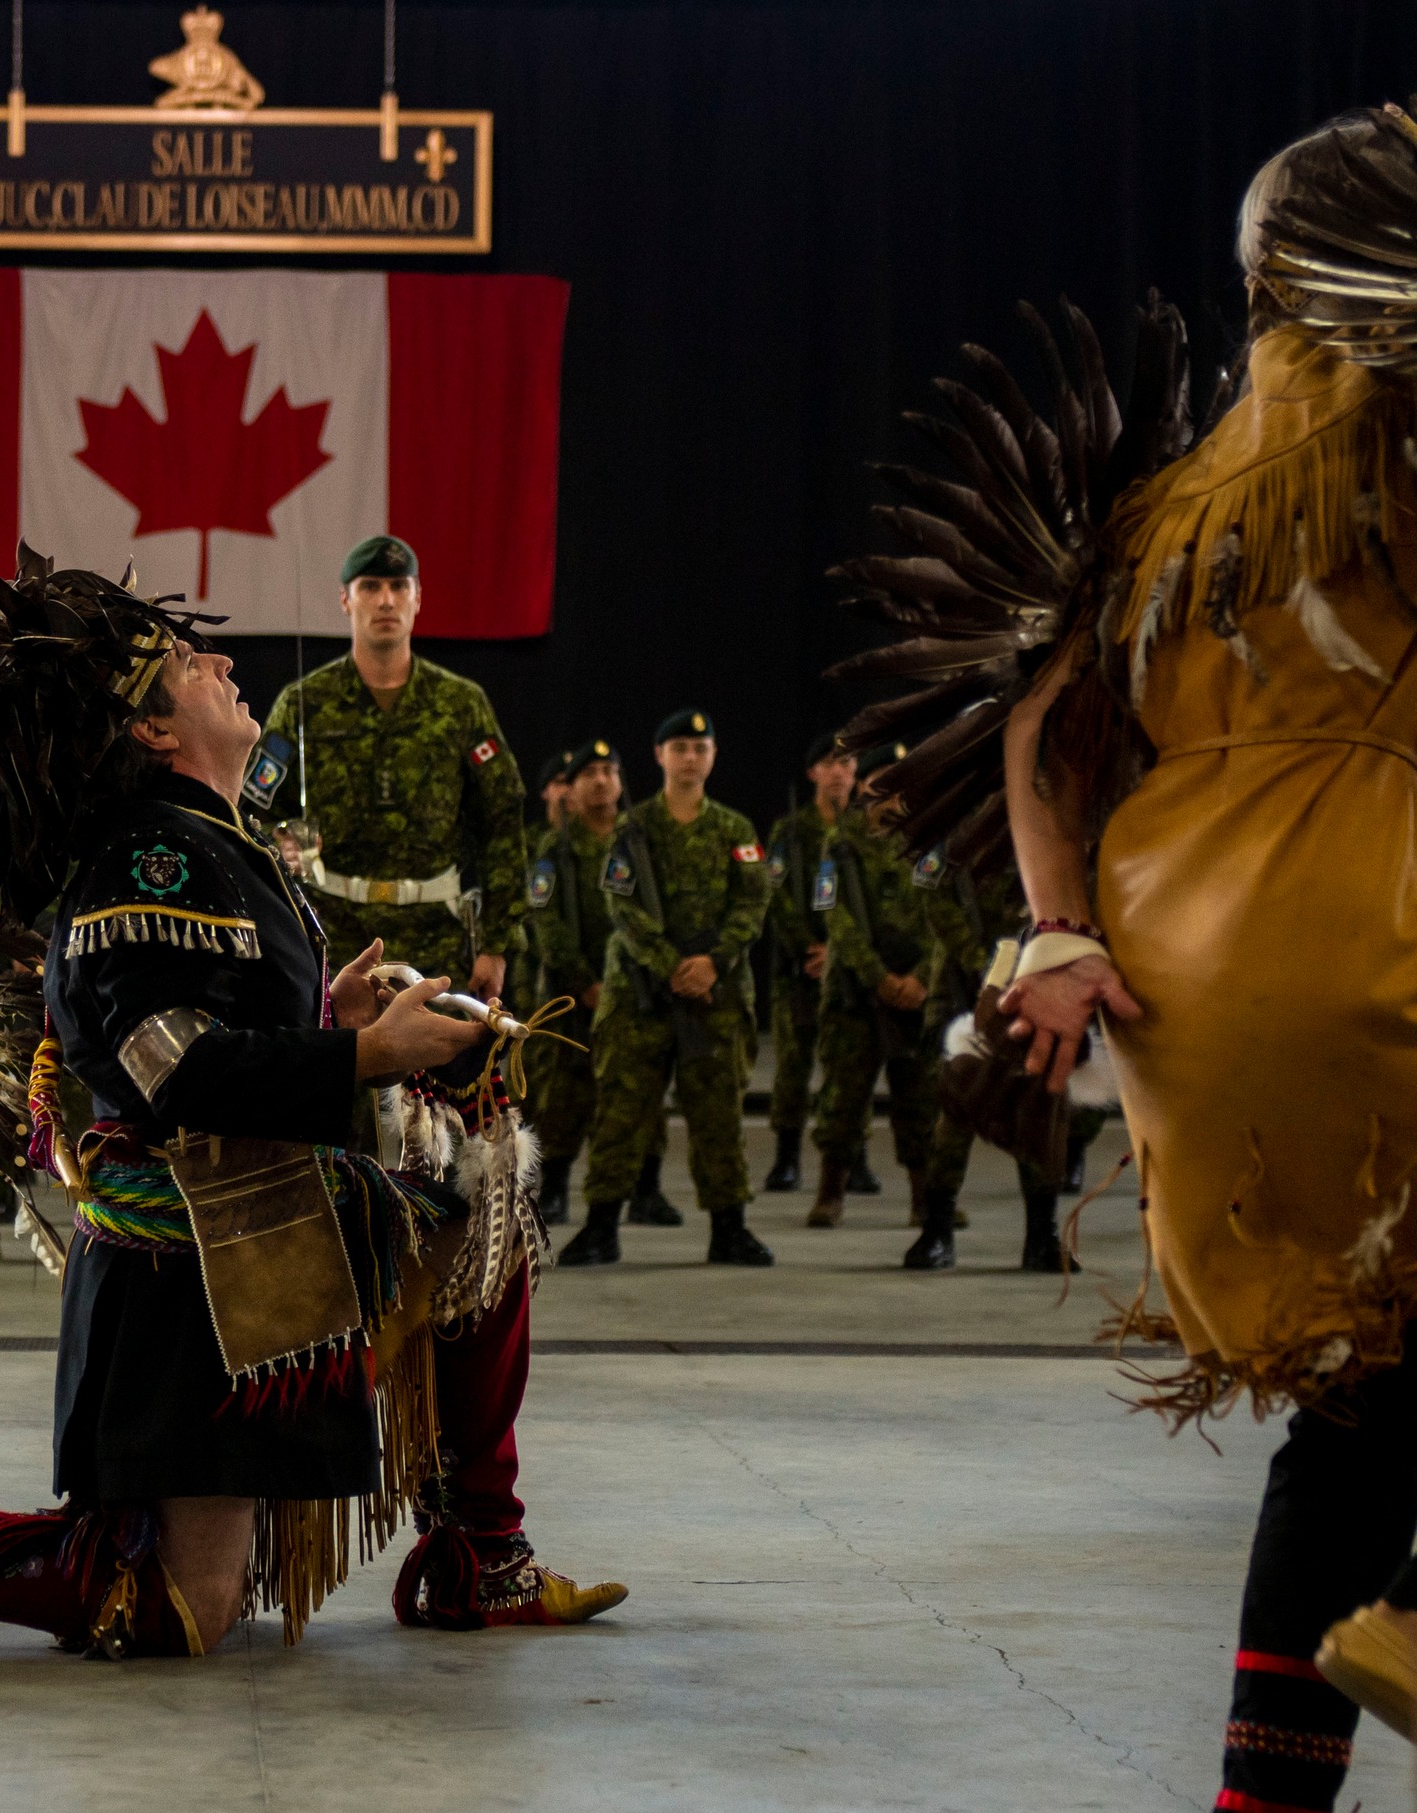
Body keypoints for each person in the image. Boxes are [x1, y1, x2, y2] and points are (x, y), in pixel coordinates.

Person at [827, 105, 1417, 1806]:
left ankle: (1264, 1793)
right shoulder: (1393, 456)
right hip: (1378, 931)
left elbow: (1044, 721)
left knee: (1355, 1394)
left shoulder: (1165, 504)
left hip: (1186, 996)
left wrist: (1051, 927)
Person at [0, 551, 623, 1657]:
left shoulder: (210, 838)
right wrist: (362, 1051)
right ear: (153, 734)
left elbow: (195, 1027)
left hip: (250, 1220)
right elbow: (175, 1073)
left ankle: (477, 1556)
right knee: (172, 1607)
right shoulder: (150, 862)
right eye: (184, 662)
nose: (218, 660)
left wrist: (326, 1009)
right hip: (191, 1271)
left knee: (480, 1218)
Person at [256, 536, 526, 1008]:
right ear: (345, 599)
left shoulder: (461, 704)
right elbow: (248, 810)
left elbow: (502, 824)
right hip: (329, 935)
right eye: (370, 586)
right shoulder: (303, 704)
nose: (386, 600)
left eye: (399, 587)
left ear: (418, 598)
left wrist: (497, 945)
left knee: (438, 1080)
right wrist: (280, 840)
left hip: (437, 937)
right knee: (337, 1075)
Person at [558, 712, 774, 1268]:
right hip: (638, 993)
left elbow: (752, 905)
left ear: (713, 755)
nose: (690, 757)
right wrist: (674, 967)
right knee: (623, 1112)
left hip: (717, 994)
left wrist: (714, 964)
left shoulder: (736, 830)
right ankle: (602, 1226)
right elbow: (622, 908)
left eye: (700, 746)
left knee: (718, 1112)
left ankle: (730, 1227)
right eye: (679, 746)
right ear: (659, 756)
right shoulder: (635, 830)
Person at [905, 856, 1086, 1272]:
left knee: (1040, 1109)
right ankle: (937, 1231)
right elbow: (933, 896)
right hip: (965, 991)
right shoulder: (963, 827)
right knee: (956, 1112)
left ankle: (1042, 1235)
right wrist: (982, 965)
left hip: (1039, 986)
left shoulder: (1051, 824)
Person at [526, 738, 671, 1228]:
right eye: (590, 773)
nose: (602, 781)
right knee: (564, 1094)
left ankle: (647, 1190)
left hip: (637, 987)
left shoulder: (639, 840)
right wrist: (586, 982)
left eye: (610, 771)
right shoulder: (556, 848)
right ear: (574, 787)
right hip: (575, 992)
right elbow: (547, 923)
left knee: (642, 1091)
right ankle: (557, 1188)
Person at [805, 758, 942, 1231]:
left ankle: (926, 1199)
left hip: (918, 990)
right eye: (880, 782)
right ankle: (830, 1194)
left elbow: (946, 913)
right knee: (843, 1097)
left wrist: (921, 977)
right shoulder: (840, 842)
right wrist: (878, 977)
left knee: (921, 1099)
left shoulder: (931, 839)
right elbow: (834, 914)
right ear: (865, 786)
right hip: (855, 992)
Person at [762, 735, 857, 1192]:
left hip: (852, 969)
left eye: (847, 761)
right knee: (793, 1069)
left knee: (849, 1067)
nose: (838, 770)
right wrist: (809, 950)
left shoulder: (863, 830)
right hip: (799, 971)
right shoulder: (790, 832)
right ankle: (787, 1158)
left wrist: (839, 951)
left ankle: (850, 1156)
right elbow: (775, 897)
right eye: (828, 762)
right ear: (813, 773)